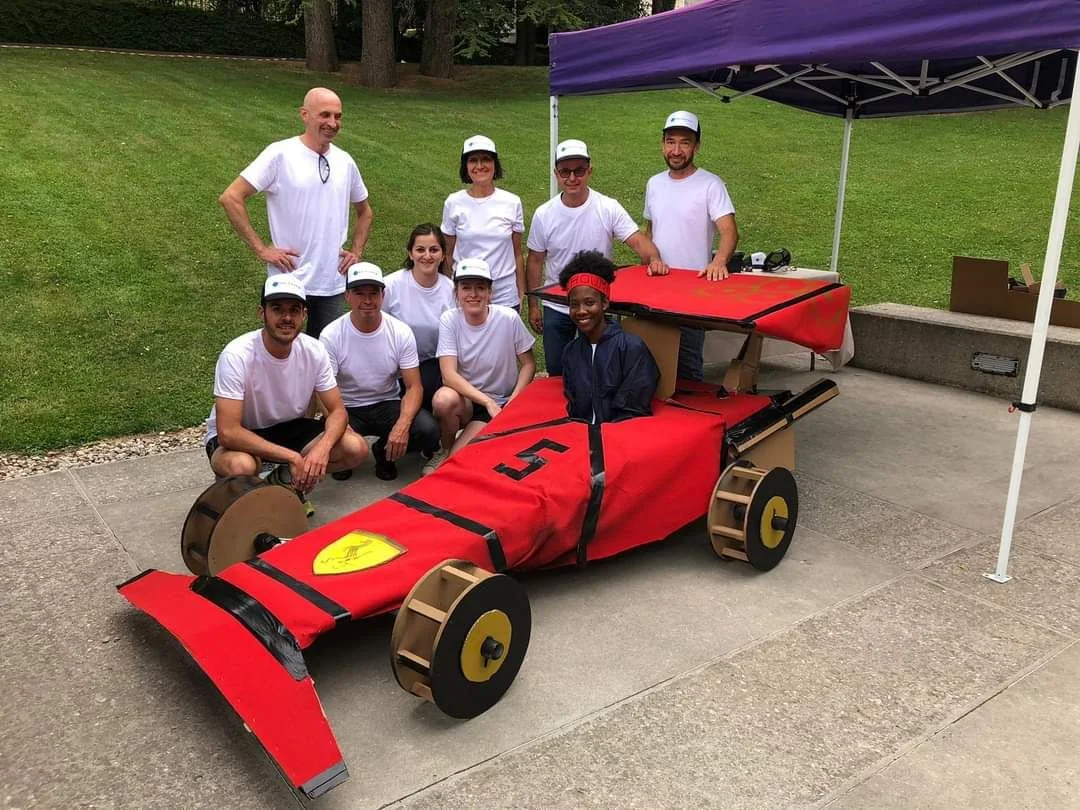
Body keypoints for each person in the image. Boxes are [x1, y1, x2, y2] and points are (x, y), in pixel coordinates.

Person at [219, 87, 374, 337]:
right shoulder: (280, 154)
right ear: (304, 115)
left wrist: (356, 251)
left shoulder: (345, 161)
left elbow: (365, 212)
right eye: (324, 115)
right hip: (288, 280)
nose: (332, 123)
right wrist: (261, 249)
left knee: (325, 352)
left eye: (338, 116)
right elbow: (231, 197)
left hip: (331, 283)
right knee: (283, 348)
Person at [204, 275, 368, 512]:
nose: (287, 318)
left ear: (304, 315)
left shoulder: (314, 350)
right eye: (277, 309)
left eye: (294, 310)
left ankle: (283, 481)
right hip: (244, 432)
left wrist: (321, 451)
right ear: (261, 313)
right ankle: (242, 486)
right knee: (241, 466)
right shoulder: (236, 355)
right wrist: (293, 458)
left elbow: (337, 411)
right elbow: (228, 432)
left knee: (355, 448)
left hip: (289, 427)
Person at [526, 138, 667, 376]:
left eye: (579, 171)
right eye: (565, 172)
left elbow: (637, 241)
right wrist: (533, 306)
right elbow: (535, 261)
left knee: (605, 369)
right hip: (557, 304)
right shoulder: (544, 214)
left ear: (589, 171)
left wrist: (653, 257)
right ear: (556, 174)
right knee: (557, 372)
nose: (572, 178)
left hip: (598, 304)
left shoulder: (608, 207)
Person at [319, 262, 441, 482]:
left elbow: (414, 386)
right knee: (329, 434)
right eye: (359, 293)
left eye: (373, 293)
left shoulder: (400, 332)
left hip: (387, 402)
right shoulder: (331, 335)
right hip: (346, 406)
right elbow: (323, 390)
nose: (367, 300)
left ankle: (384, 453)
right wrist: (340, 427)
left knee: (428, 430)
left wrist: (402, 425)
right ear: (347, 296)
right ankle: (346, 456)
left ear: (383, 296)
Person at [643, 110, 738, 380]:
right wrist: (647, 262)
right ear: (662, 144)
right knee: (650, 363)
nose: (676, 150)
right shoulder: (654, 184)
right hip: (656, 287)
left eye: (684, 143)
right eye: (670, 142)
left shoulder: (710, 184)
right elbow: (651, 229)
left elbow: (730, 232)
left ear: (696, 147)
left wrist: (719, 262)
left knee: (687, 366)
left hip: (691, 292)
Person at [430, 258, 536, 471]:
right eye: (466, 288)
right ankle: (445, 449)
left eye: (480, 287)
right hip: (468, 400)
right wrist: (486, 402)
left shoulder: (508, 318)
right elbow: (448, 375)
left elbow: (528, 364)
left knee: (459, 463)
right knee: (443, 399)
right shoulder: (449, 319)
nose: (473, 294)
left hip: (499, 402)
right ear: (457, 293)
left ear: (490, 293)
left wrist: (513, 401)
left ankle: (457, 451)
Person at [559, 251, 660, 424]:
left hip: (621, 434)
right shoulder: (571, 352)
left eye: (589, 303)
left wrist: (602, 433)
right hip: (581, 433)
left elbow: (633, 407)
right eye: (574, 305)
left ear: (604, 303)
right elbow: (573, 404)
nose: (581, 311)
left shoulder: (631, 347)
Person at [441, 135, 526, 310]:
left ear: (495, 164)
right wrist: (451, 291)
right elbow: (447, 255)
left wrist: (521, 292)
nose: (479, 166)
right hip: (467, 293)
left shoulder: (512, 202)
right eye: (473, 160)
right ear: (466, 166)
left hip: (504, 294)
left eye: (485, 159)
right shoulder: (453, 202)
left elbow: (517, 253)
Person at [382, 224, 456, 411]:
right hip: (394, 369)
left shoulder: (451, 290)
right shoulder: (390, 286)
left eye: (434, 250)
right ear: (410, 253)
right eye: (420, 250)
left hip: (434, 368)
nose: (427, 256)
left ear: (443, 255)